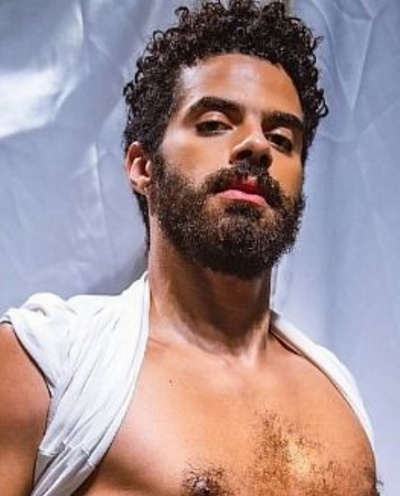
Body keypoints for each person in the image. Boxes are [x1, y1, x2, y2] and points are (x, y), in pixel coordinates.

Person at [0, 0, 380, 494]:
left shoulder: (336, 394)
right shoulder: (46, 368)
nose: (257, 146)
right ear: (143, 167)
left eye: (282, 138)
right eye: (215, 123)